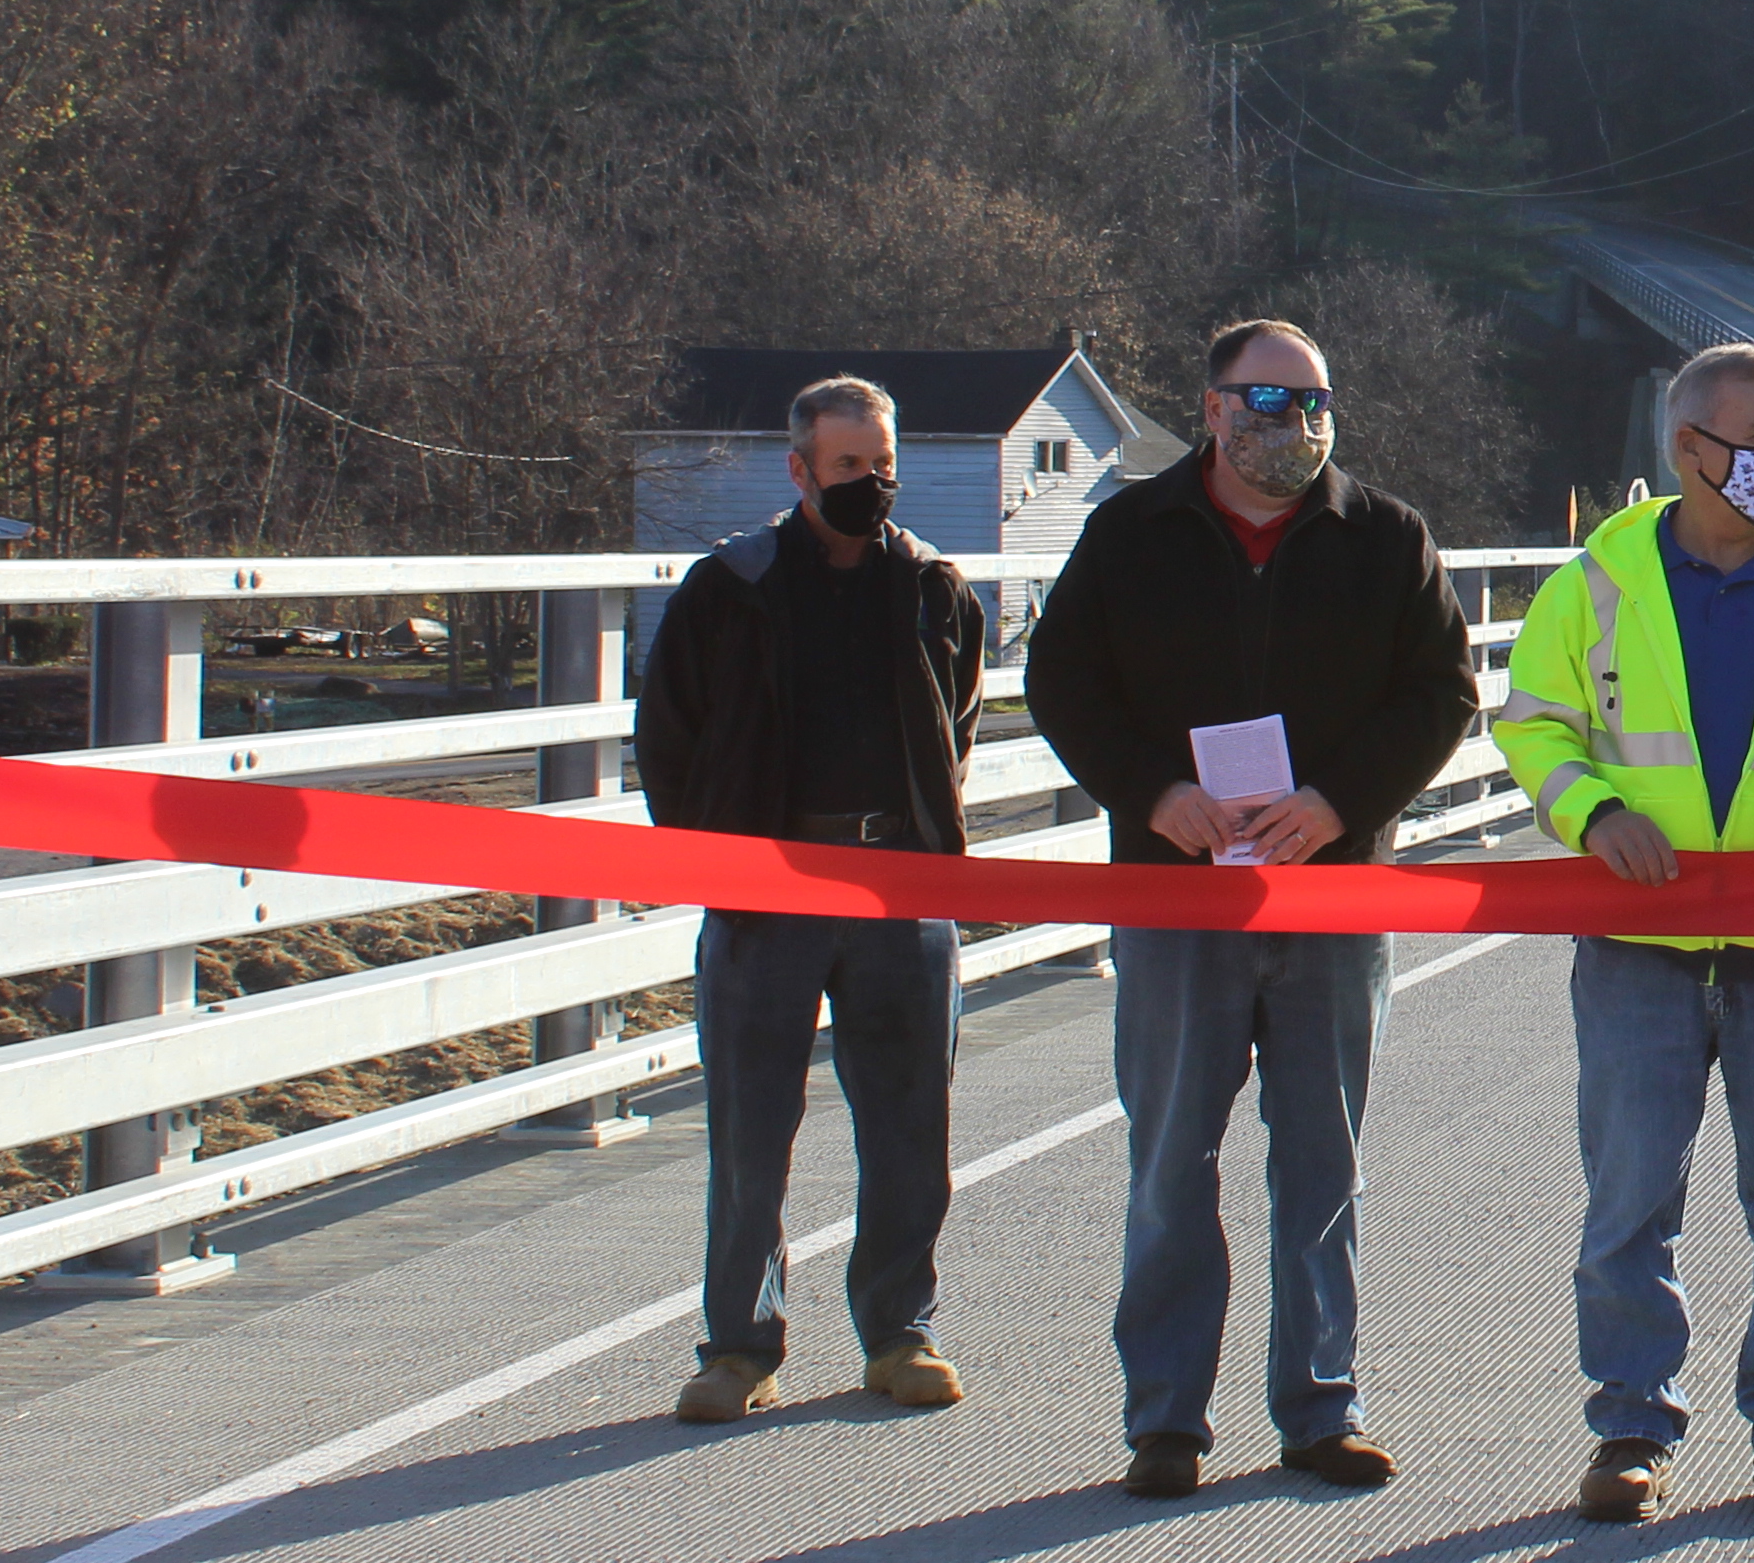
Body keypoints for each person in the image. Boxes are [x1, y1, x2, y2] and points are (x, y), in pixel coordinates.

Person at [1026, 316, 1480, 1501]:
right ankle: (1166, 1420)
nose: (1299, 424)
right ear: (1216, 407)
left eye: (1317, 402)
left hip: (1328, 892)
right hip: (1178, 898)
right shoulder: (1131, 533)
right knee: (1173, 1159)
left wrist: (1339, 802)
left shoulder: (1385, 540)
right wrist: (1151, 791)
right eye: (1272, 401)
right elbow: (1062, 681)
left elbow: (1442, 694)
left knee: (1322, 1161)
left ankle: (1322, 1407)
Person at [1492, 342, 1754, 1527]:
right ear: (1691, 450)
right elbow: (1535, 724)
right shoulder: (1599, 584)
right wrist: (1595, 815)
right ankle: (1632, 1426)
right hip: (1640, 945)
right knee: (1631, 1195)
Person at [633, 373, 989, 1425]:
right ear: (798, 471)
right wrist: (710, 859)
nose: (870, 486)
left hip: (899, 886)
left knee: (911, 1123)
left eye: (883, 468)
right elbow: (669, 736)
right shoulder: (729, 588)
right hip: (766, 889)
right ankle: (740, 1346)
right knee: (751, 1129)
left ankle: (900, 1331)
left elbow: (958, 719)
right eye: (848, 469)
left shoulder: (933, 585)